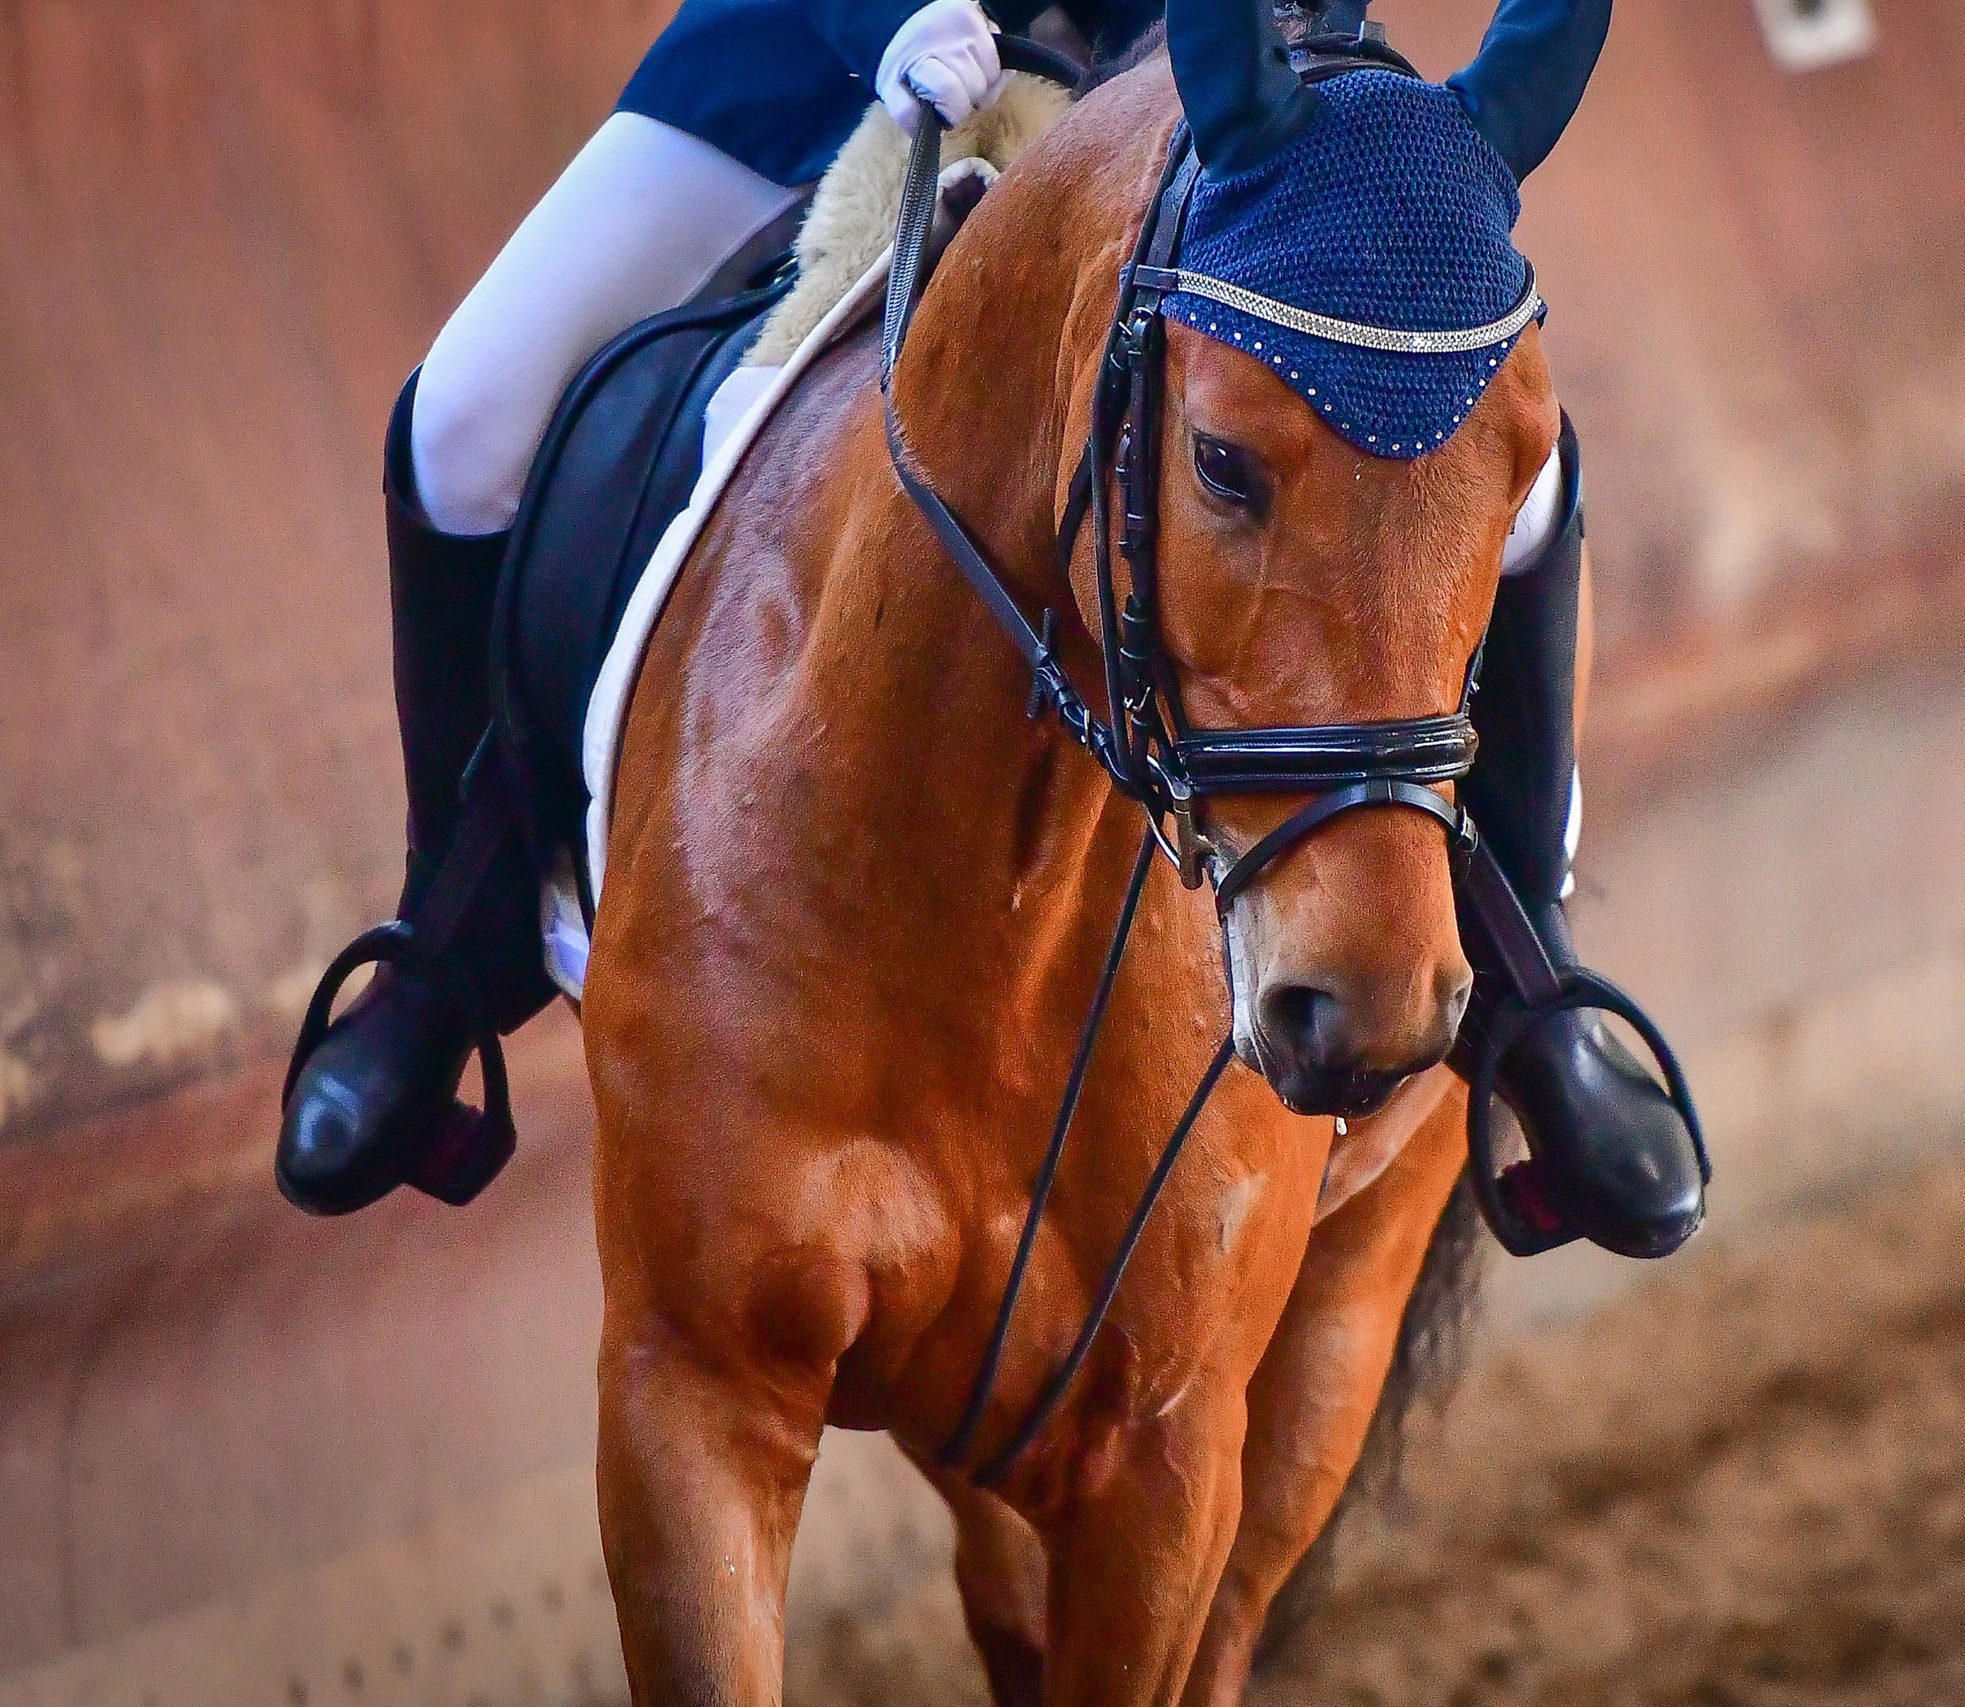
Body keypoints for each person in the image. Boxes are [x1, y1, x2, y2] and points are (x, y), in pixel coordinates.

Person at [278, 0, 1707, 1260]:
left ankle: (1533, 987)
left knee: (1513, 466)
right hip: (842, 57)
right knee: (466, 420)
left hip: (1237, 90)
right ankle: (448, 945)